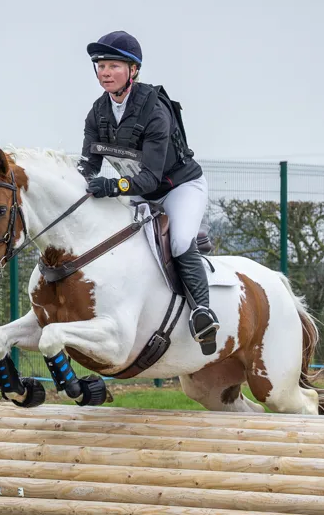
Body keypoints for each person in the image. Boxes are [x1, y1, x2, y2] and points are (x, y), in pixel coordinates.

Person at [77, 30, 220, 354]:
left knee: (179, 241)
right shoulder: (97, 113)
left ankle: (202, 313)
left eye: (113, 66)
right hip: (140, 191)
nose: (105, 73)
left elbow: (150, 178)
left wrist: (112, 187)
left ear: (133, 70)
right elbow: (88, 165)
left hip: (179, 187)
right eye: (101, 66)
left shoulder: (155, 110)